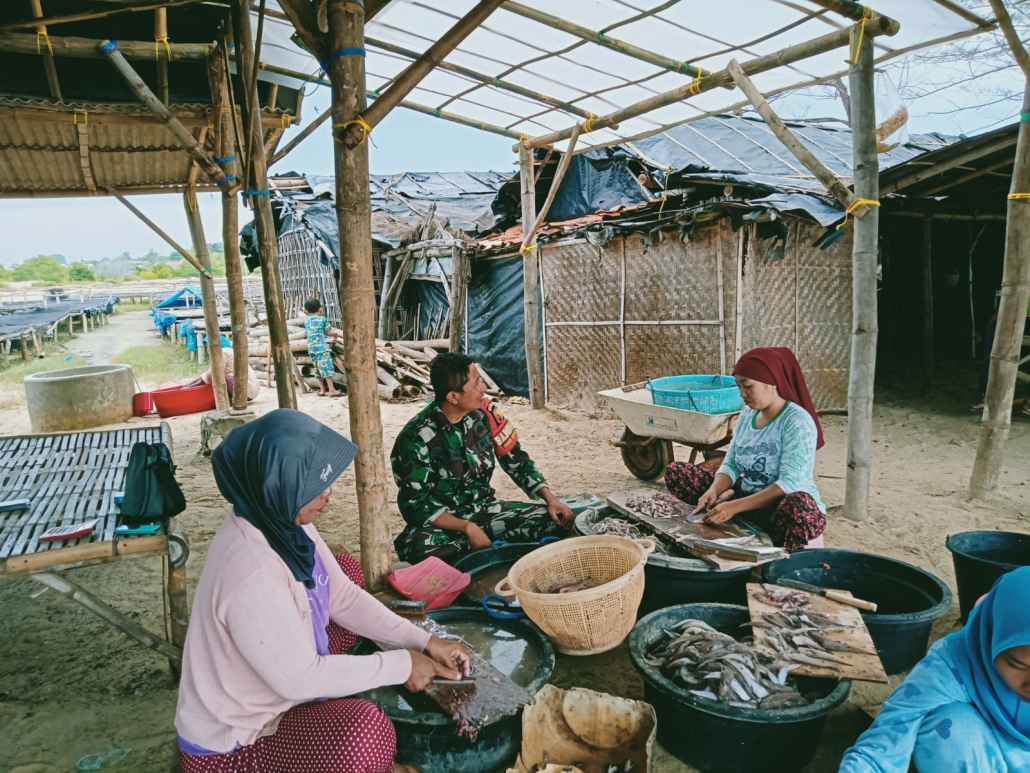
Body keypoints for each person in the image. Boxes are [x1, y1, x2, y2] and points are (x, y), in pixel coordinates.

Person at [175, 409, 470, 773]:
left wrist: (423, 641)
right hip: (238, 746)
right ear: (277, 485)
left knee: (344, 572)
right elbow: (301, 679)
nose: (327, 492)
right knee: (367, 734)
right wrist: (401, 665)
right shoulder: (250, 571)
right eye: (314, 485)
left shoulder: (279, 517)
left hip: (279, 686)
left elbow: (342, 596)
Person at [839, 567, 1030, 772]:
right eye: (1017, 665)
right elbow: (883, 744)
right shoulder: (953, 665)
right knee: (950, 725)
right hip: (989, 754)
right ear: (990, 634)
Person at [391, 352, 574, 565]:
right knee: (421, 548)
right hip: (444, 523)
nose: (484, 388)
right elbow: (415, 504)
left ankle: (481, 550)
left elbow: (516, 460)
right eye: (476, 383)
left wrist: (550, 500)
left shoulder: (486, 415)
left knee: (556, 522)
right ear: (453, 397)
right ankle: (484, 548)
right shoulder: (415, 438)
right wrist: (466, 527)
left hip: (487, 510)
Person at [664, 347, 826, 552]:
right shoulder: (748, 414)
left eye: (748, 386)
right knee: (678, 473)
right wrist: (713, 490)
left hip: (779, 508)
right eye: (739, 386)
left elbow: (789, 484)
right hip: (746, 499)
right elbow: (731, 463)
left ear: (772, 382)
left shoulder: (796, 422)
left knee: (799, 506)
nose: (742, 394)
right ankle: (733, 522)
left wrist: (734, 506)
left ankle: (777, 550)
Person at [972, 292, 1030, 417]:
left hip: (1020, 319)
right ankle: (990, 395)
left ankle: (1025, 400)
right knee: (994, 330)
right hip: (1019, 317)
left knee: (993, 329)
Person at [189, 346, 260, 403]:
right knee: (211, 375)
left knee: (212, 376)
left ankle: (226, 401)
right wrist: (187, 386)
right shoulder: (226, 351)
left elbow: (211, 375)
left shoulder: (222, 353)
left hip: (247, 391)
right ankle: (187, 387)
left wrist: (189, 388)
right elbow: (205, 375)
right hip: (251, 391)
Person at [303, 297, 343, 397]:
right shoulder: (322, 319)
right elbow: (328, 332)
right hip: (321, 347)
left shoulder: (306, 322)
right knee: (326, 367)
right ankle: (332, 390)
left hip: (311, 348)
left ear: (307, 311)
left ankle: (322, 390)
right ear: (320, 308)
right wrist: (335, 334)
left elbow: (308, 333)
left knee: (317, 368)